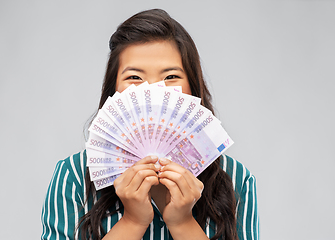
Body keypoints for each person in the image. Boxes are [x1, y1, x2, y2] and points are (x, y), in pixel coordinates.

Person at [41, 9, 259, 240]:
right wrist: (133, 222)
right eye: (134, 77)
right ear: (113, 91)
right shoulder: (72, 176)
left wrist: (183, 223)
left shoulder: (236, 179)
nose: (154, 91)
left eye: (171, 77)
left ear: (193, 89)